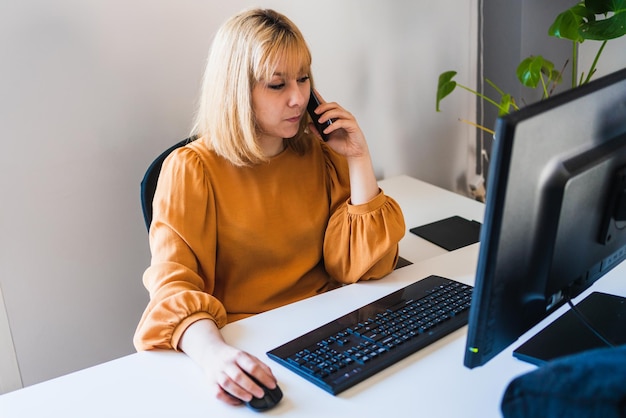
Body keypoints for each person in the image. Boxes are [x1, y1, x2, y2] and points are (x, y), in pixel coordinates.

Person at [134, 8, 406, 407]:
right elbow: (174, 286)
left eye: (303, 78)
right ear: (237, 90)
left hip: (331, 332)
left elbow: (364, 264)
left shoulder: (318, 153)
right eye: (277, 85)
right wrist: (215, 357)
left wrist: (358, 157)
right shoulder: (191, 171)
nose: (298, 98)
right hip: (250, 344)